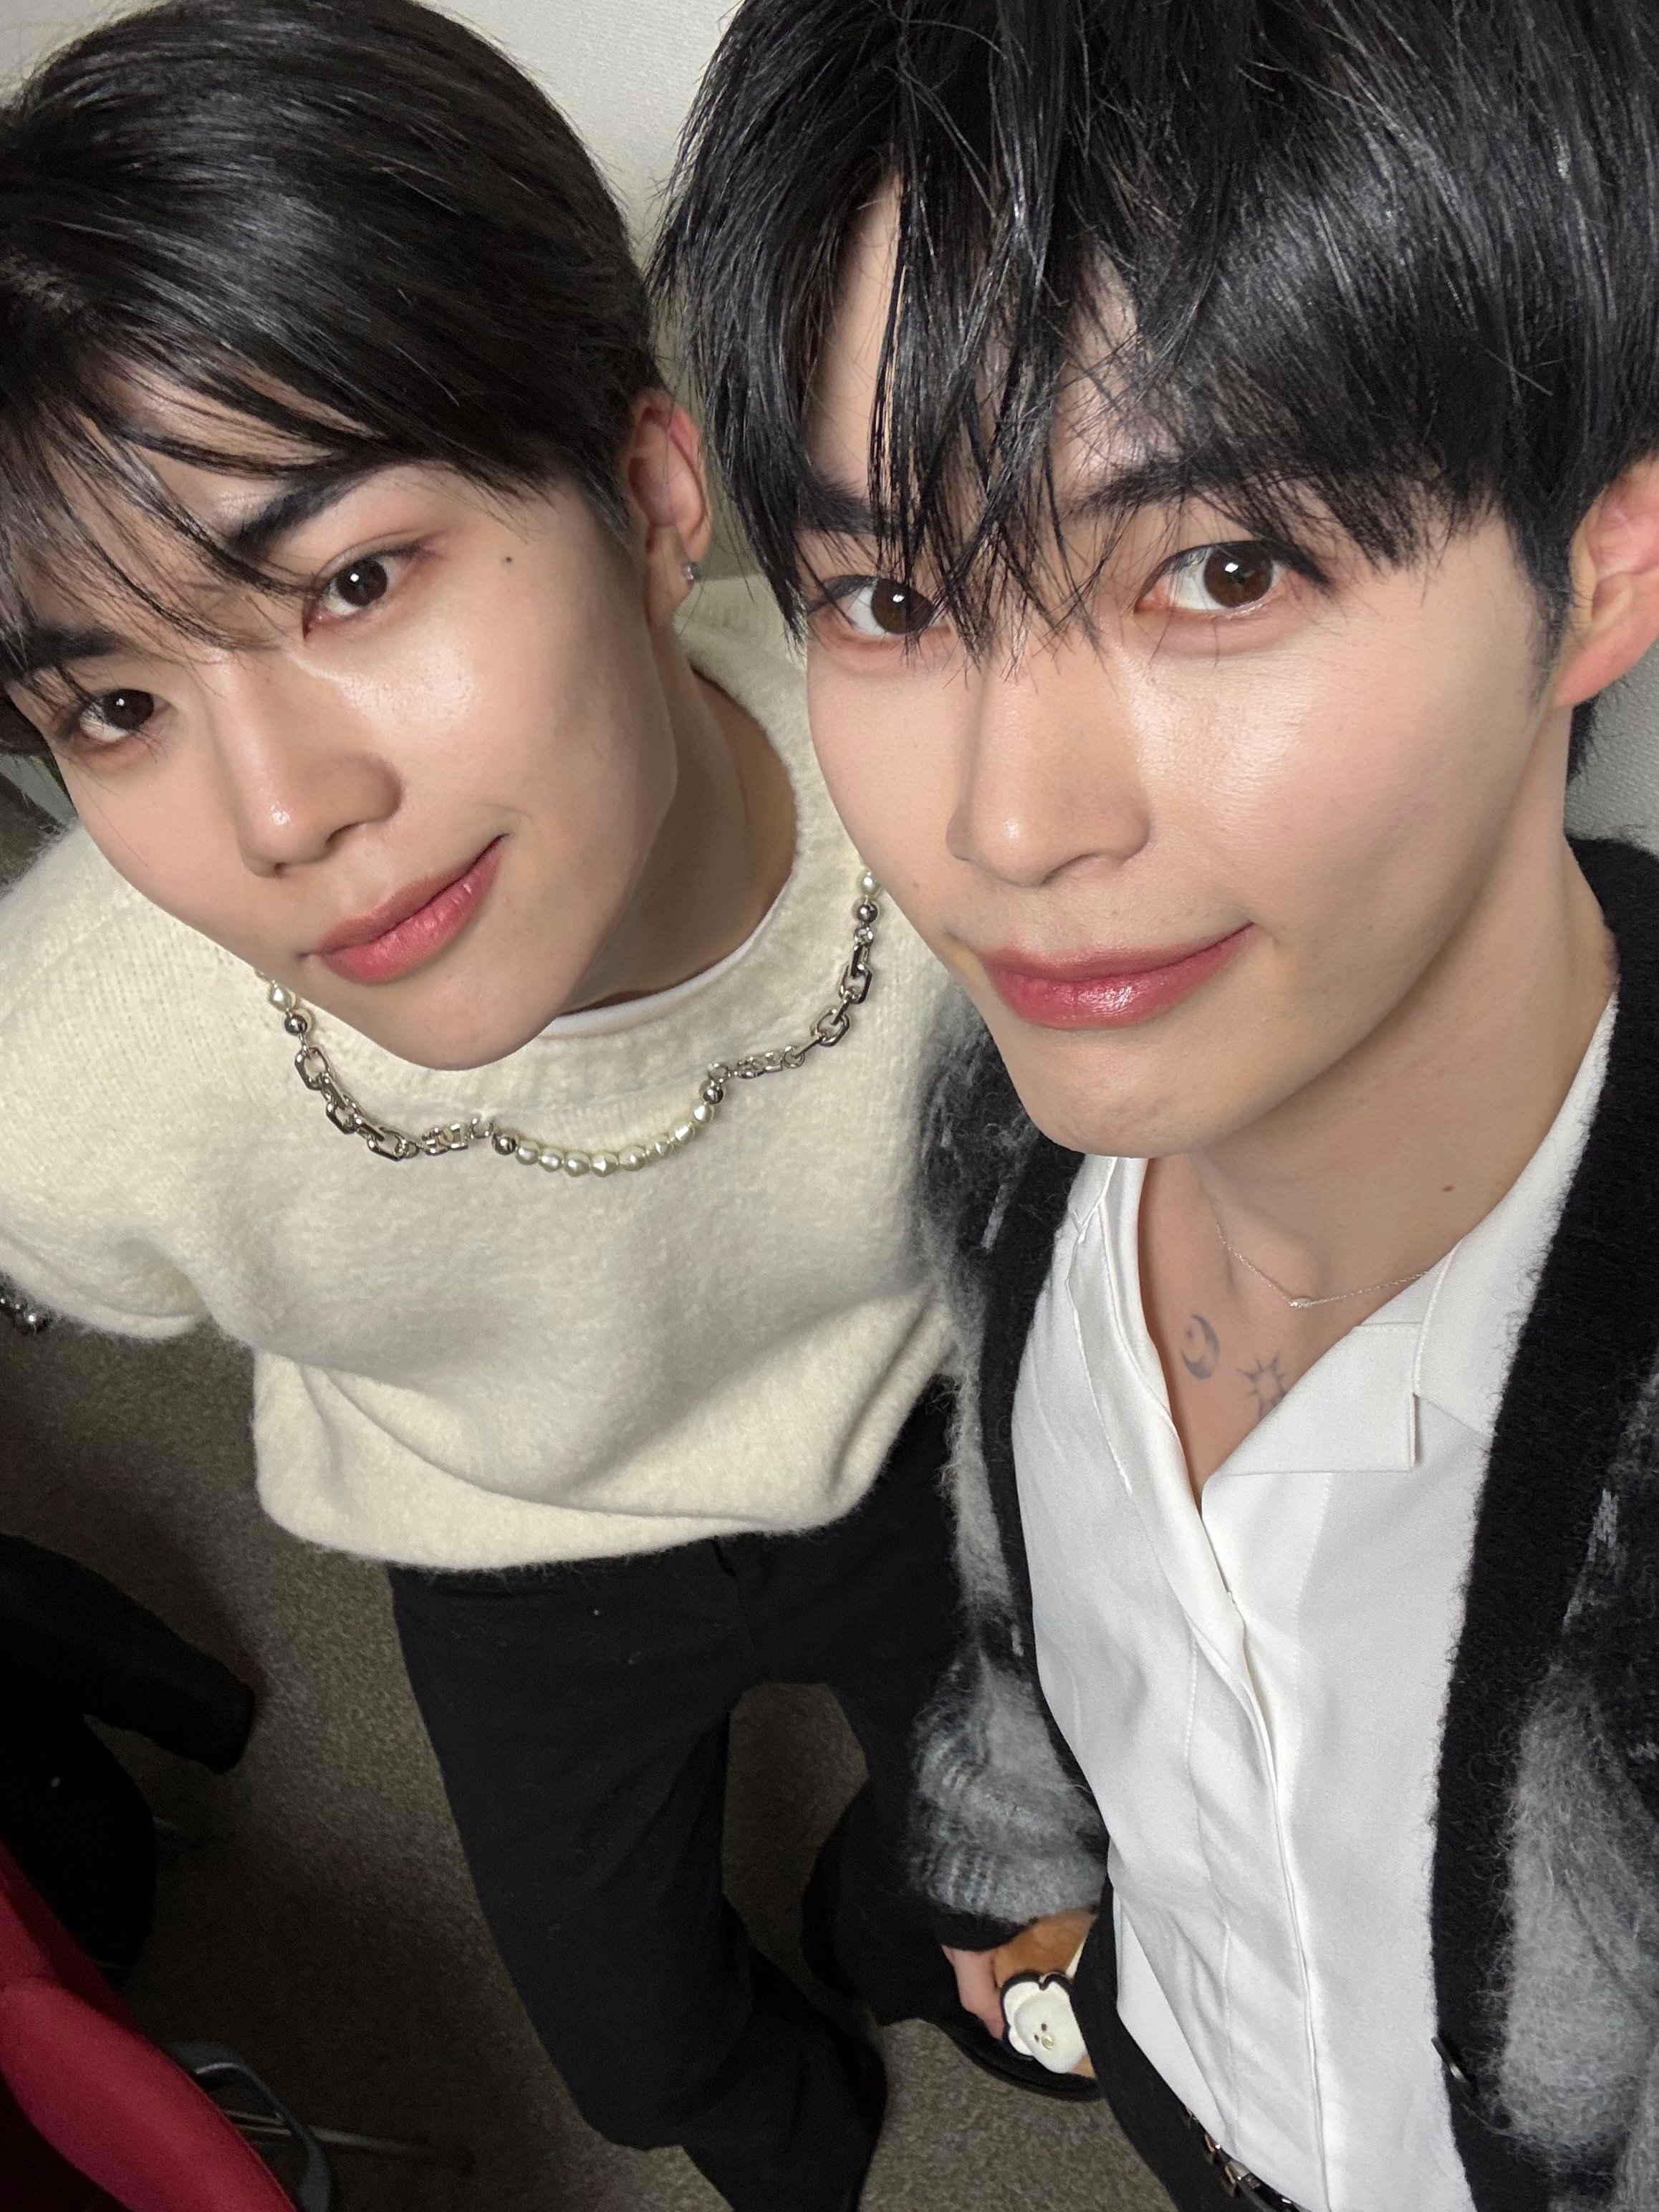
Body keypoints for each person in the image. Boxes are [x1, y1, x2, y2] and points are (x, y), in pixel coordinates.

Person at [656, 1, 1659, 2206]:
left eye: (1221, 571)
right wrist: (1013, 1847)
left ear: (1596, 567)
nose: (1005, 824)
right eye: (891, 596)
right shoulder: (994, 1123)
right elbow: (1034, 1577)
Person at [0, 2, 978, 2203]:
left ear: (646, 498)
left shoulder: (968, 787)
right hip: (505, 1548)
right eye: (119, 704)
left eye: (353, 581)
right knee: (632, 2052)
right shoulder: (67, 1098)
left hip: (925, 1429)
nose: (281, 811)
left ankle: (894, 1952)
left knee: (997, 1855)